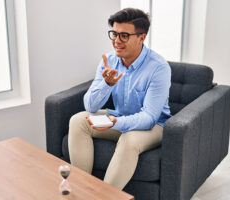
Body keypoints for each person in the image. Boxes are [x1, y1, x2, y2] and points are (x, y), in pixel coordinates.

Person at [68, 7, 172, 190]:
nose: (116, 41)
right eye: (114, 34)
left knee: (130, 139)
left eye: (124, 36)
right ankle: (81, 189)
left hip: (154, 125)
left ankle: (105, 196)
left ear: (141, 37)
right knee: (78, 120)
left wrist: (116, 123)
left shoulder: (158, 67)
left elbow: (149, 117)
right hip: (120, 117)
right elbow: (90, 105)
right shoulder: (109, 60)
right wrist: (106, 85)